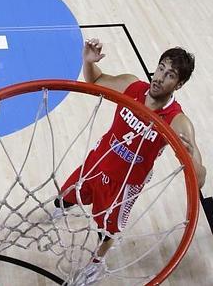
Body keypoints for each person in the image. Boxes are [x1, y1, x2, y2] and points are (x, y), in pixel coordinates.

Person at [54, 38, 207, 283]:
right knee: (64, 197)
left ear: (179, 84)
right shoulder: (131, 85)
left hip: (125, 185)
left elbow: (198, 181)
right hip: (98, 162)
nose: (159, 77)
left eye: (170, 75)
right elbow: (94, 80)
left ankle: (96, 263)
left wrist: (194, 164)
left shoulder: (179, 122)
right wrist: (88, 61)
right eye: (160, 68)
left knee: (107, 230)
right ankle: (60, 209)